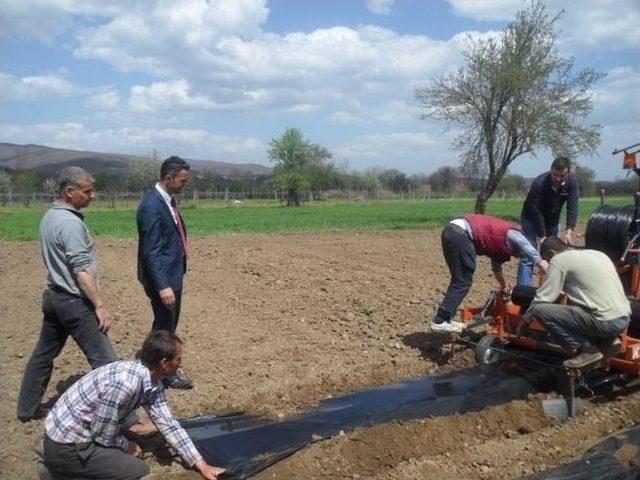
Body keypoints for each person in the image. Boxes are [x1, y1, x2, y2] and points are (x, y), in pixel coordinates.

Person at [41, 330, 226, 480]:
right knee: (137, 469)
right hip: (67, 444)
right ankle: (59, 472)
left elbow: (169, 425)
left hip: (77, 432)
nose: (180, 364)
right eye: (178, 360)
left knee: (128, 452)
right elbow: (102, 433)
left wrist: (201, 464)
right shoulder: (125, 384)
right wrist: (127, 445)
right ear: (164, 363)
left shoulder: (150, 380)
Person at [17, 166, 119, 422]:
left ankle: (26, 409)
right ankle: (127, 421)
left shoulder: (49, 217)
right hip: (75, 302)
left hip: (54, 296)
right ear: (69, 192)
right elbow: (81, 271)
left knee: (43, 355)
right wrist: (99, 305)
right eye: (88, 191)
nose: (92, 196)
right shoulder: (70, 224)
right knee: (106, 363)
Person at [522, 237, 630, 368]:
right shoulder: (598, 254)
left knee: (539, 310)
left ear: (552, 253)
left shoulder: (559, 259)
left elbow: (544, 298)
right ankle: (609, 341)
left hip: (603, 322)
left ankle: (587, 351)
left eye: (548, 260)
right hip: (623, 319)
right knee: (582, 304)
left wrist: (524, 321)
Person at [431, 214, 549, 334]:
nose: (517, 257)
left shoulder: (502, 246)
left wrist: (504, 285)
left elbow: (496, 267)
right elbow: (530, 250)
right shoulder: (517, 235)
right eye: (520, 255)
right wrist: (543, 265)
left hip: (452, 231)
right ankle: (440, 320)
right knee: (463, 281)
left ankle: (446, 318)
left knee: (460, 279)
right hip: (461, 234)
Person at [137, 156, 193, 389]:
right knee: (165, 327)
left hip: (172, 274)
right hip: (164, 279)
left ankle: (147, 363)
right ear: (168, 178)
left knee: (164, 324)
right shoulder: (151, 206)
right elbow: (151, 250)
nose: (184, 185)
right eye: (181, 181)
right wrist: (163, 286)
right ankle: (165, 373)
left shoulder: (166, 200)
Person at [517, 156, 579, 286]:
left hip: (552, 220)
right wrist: (542, 236)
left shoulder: (572, 182)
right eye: (555, 174)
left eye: (561, 176)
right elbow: (536, 210)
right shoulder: (539, 183)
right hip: (531, 218)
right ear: (551, 170)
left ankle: (551, 289)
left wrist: (569, 230)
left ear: (567, 174)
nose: (557, 178)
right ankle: (523, 292)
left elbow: (572, 205)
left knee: (553, 255)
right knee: (529, 255)